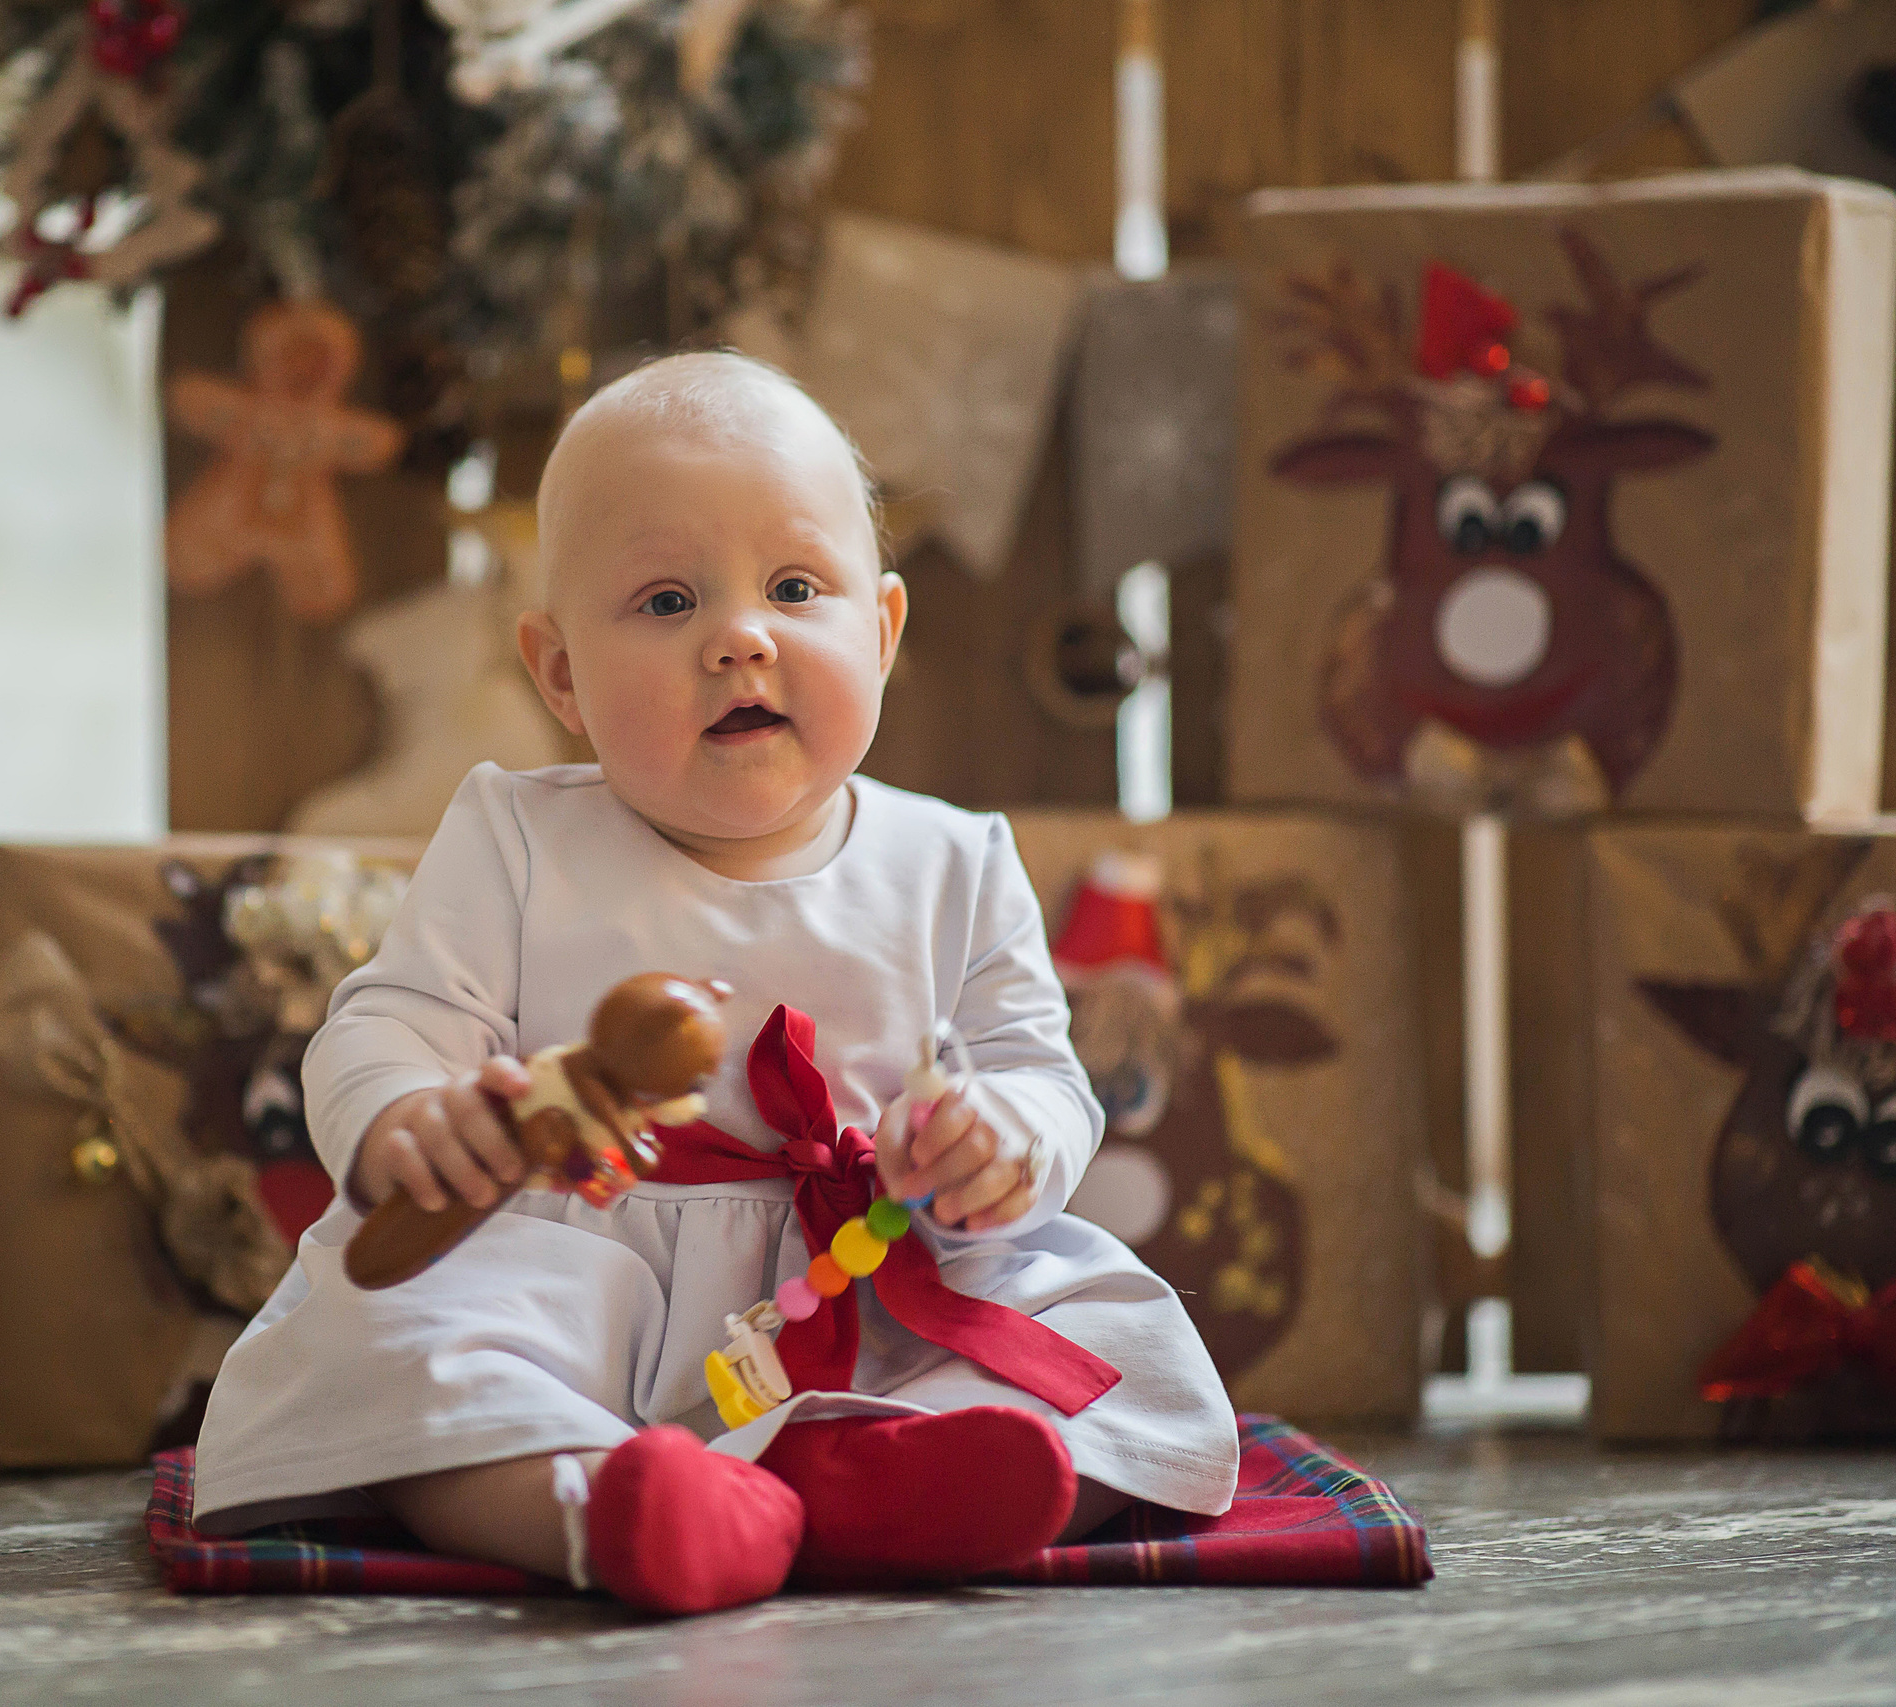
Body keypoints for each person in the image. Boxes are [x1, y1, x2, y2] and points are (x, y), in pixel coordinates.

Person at [190, 351, 1238, 1614]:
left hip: (873, 1272)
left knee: (1116, 1334)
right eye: (666, 601)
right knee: (396, 1339)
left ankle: (872, 1488)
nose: (740, 637)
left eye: (796, 588)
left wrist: (1003, 1142)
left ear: (885, 630)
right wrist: (415, 1117)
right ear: (560, 675)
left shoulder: (954, 860)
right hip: (576, 1275)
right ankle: (605, 1509)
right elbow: (390, 1018)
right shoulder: (515, 835)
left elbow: (1035, 1069)